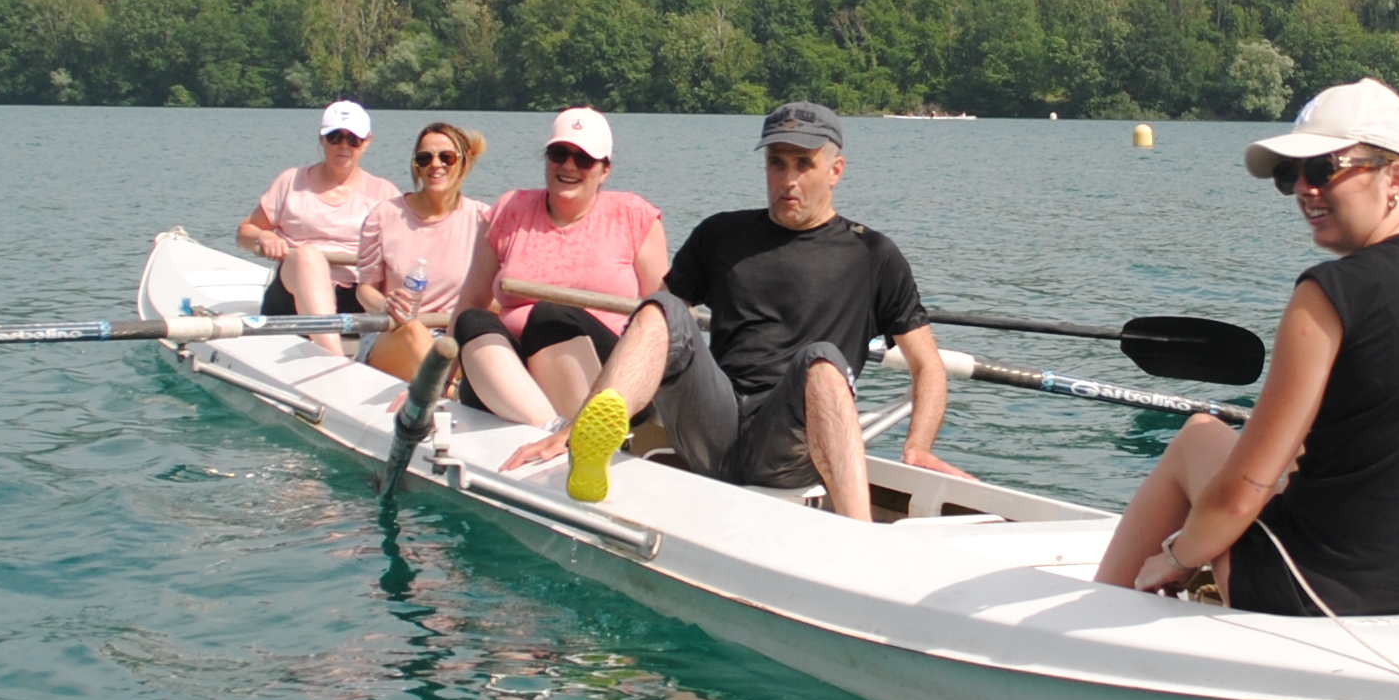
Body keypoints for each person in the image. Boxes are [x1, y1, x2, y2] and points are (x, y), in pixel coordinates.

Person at [1096, 78, 1399, 614]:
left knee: (1199, 437)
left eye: (1323, 169)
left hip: (1316, 594)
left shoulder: (1328, 294)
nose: (1304, 189)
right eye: (1291, 176)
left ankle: (1090, 619)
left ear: (1396, 178)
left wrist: (1178, 557)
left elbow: (1242, 492)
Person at [504, 101, 971, 521]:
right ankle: (591, 443)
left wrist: (918, 447)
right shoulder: (720, 235)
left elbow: (927, 365)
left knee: (824, 361)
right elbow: (649, 329)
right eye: (776, 163)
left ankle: (858, 532)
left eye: (804, 165)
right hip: (711, 429)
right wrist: (573, 422)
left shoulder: (873, 254)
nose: (788, 180)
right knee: (661, 306)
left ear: (835, 170)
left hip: (790, 444)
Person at [450, 107, 670, 425]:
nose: (568, 166)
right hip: (515, 376)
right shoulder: (508, 209)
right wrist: (437, 379)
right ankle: (552, 429)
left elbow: (663, 318)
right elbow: (470, 300)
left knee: (549, 315)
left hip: (604, 376)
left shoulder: (635, 216)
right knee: (473, 321)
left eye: (583, 159)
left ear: (604, 170)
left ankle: (586, 430)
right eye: (558, 153)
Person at [238, 100, 399, 316]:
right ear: (321, 138)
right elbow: (244, 232)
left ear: (367, 141)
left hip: (356, 293)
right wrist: (264, 237)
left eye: (353, 139)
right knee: (307, 257)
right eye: (335, 137)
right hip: (292, 291)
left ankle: (330, 344)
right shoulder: (290, 181)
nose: (343, 146)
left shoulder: (384, 193)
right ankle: (330, 345)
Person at [356, 121, 489, 327]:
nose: (435, 164)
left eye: (447, 157)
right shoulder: (383, 215)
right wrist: (385, 304)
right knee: (415, 331)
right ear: (416, 166)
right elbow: (364, 290)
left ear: (465, 162)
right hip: (395, 331)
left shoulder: (484, 219)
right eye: (424, 158)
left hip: (452, 332)